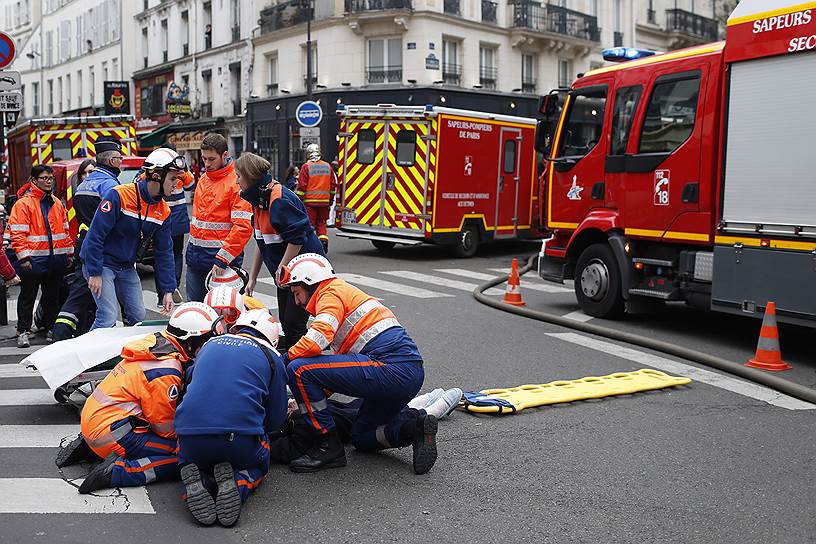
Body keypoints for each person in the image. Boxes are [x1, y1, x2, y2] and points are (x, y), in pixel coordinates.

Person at [280, 253, 439, 475]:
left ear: (310, 281)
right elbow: (329, 377)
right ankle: (415, 429)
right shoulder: (345, 297)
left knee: (298, 369)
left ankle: (328, 446)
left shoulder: (330, 292)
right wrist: (299, 401)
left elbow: (317, 339)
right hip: (407, 374)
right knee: (362, 436)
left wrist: (283, 359)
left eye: (296, 293)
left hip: (389, 368)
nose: (297, 302)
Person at [54, 303, 226, 494]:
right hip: (112, 433)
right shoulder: (166, 371)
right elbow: (164, 428)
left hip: (97, 419)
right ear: (190, 340)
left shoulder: (157, 343)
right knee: (184, 454)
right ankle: (118, 473)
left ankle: (90, 449)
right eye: (206, 339)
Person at [175, 309, 287, 527]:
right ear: (272, 339)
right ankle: (237, 484)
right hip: (236, 439)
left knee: (193, 458)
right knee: (259, 462)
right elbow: (276, 417)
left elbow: (190, 386)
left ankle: (201, 481)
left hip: (189, 436)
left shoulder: (209, 345)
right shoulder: (272, 356)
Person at [80, 148, 182, 329]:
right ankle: (90, 354)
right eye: (173, 178)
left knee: (138, 316)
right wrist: (94, 272)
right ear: (157, 176)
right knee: (108, 316)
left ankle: (132, 355)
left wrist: (167, 290)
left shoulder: (164, 210)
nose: (177, 184)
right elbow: (95, 236)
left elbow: (164, 253)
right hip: (102, 264)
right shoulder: (119, 195)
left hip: (126, 267)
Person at [234, 152, 325, 352]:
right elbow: (261, 241)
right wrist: (253, 278)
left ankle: (301, 366)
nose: (237, 181)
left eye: (239, 176)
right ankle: (296, 361)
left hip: (305, 273)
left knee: (294, 325)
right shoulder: (259, 201)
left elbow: (297, 238)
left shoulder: (278, 200)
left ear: (250, 177)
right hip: (287, 274)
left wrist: (281, 268)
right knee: (286, 322)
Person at [8, 165, 74, 347]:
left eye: (51, 178)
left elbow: (65, 231)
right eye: (44, 178)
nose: (48, 181)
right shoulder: (23, 204)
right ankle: (23, 331)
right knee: (27, 297)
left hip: (55, 260)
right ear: (34, 180)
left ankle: (51, 329)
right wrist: (24, 258)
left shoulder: (57, 203)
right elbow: (18, 234)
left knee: (52, 297)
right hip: (33, 261)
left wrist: (68, 253)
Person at [185, 133, 252, 303]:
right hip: (196, 257)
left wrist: (223, 259)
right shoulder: (203, 179)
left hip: (222, 261)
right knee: (196, 311)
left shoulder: (236, 182)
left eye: (211, 159)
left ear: (225, 155)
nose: (206, 164)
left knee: (223, 311)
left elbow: (242, 227)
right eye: (204, 159)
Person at [52, 159, 98, 341]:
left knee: (91, 300)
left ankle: (83, 335)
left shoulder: (82, 193)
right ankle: (60, 337)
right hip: (87, 250)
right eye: (84, 173)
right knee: (79, 296)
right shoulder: (82, 195)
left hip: (87, 249)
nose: (88, 177)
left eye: (91, 172)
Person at [152, 144, 192, 305]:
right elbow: (190, 184)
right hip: (178, 218)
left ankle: (162, 293)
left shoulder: (156, 170)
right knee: (176, 254)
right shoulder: (180, 172)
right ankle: (173, 285)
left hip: (160, 217)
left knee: (160, 255)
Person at [296, 144, 337, 253]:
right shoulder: (328, 166)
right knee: (321, 224)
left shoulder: (306, 167)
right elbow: (333, 186)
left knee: (309, 225)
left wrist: (299, 201)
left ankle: (309, 247)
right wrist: (330, 200)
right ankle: (323, 243)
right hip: (324, 202)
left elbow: (302, 187)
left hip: (310, 203)